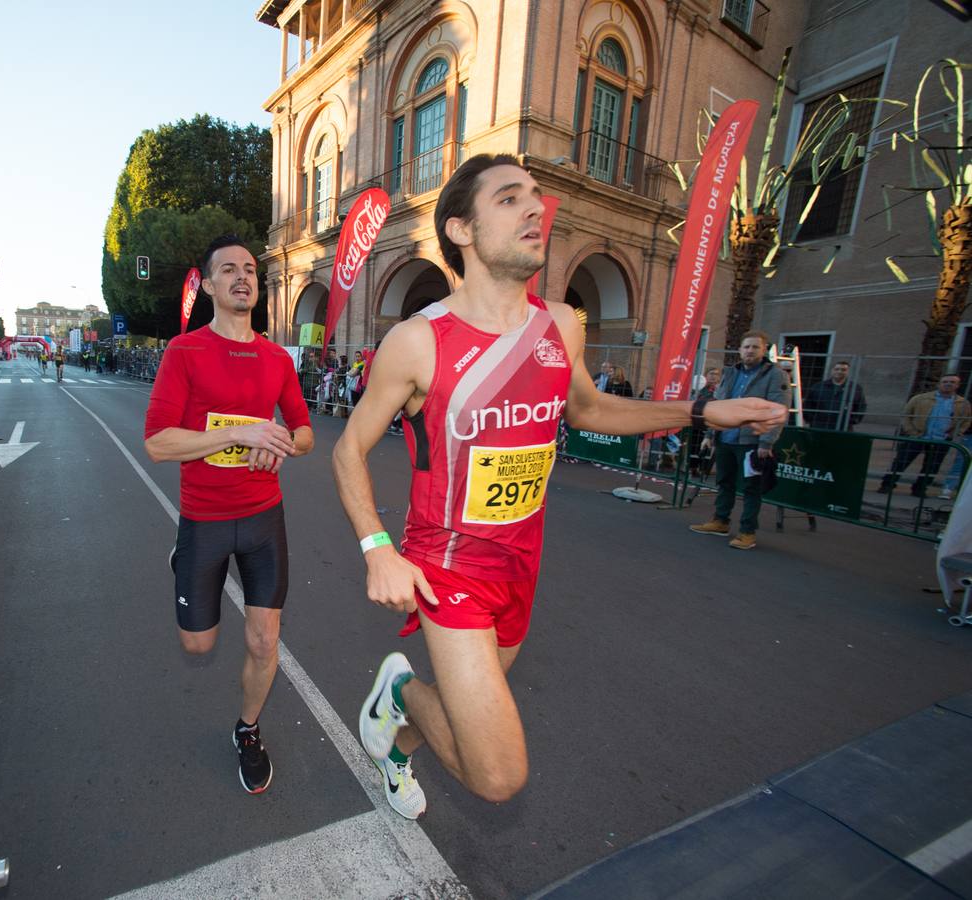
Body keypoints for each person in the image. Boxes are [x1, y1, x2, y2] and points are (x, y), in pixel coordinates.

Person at [330, 154, 784, 819]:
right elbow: (349, 449)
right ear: (460, 229)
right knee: (498, 774)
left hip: (522, 558)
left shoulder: (561, 326)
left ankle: (395, 745)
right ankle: (398, 690)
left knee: (467, 714)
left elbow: (591, 410)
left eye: (537, 197)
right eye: (511, 199)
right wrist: (376, 547)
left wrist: (699, 411)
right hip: (446, 560)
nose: (536, 209)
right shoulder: (418, 342)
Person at [144, 234, 315, 795]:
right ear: (211, 285)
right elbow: (157, 444)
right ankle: (184, 558)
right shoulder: (185, 352)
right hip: (204, 518)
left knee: (265, 640)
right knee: (199, 644)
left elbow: (306, 430)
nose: (243, 277)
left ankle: (247, 729)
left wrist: (284, 439)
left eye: (250, 269)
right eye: (229, 270)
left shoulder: (275, 358)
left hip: (264, 517)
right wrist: (242, 430)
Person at [689, 331, 789, 550]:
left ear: (764, 350)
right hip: (725, 437)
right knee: (724, 482)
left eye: (755, 347)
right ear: (740, 350)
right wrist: (709, 434)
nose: (750, 351)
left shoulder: (775, 375)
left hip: (751, 442)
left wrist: (766, 443)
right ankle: (720, 521)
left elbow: (777, 411)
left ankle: (747, 532)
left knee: (751, 488)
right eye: (746, 347)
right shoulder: (730, 373)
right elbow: (718, 405)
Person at [880, 373, 971, 498]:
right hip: (919, 436)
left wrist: (956, 433)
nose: (948, 384)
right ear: (939, 384)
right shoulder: (921, 398)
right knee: (901, 461)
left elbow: (966, 420)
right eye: (945, 382)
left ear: (957, 385)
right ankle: (887, 484)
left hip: (941, 439)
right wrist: (911, 431)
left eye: (952, 382)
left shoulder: (962, 403)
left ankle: (920, 489)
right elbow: (906, 414)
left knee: (932, 466)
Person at [804, 361, 866, 431]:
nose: (839, 372)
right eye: (837, 369)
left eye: (843, 370)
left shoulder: (855, 388)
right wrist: (811, 419)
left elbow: (861, 406)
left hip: (843, 427)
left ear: (848, 372)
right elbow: (808, 404)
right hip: (819, 425)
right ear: (832, 370)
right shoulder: (818, 387)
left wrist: (853, 420)